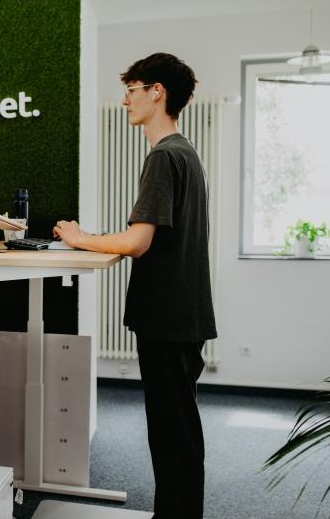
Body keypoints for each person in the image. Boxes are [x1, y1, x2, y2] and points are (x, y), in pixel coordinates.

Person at [54, 53, 217, 519]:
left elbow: (138, 241)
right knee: (178, 434)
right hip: (181, 317)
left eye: (133, 89)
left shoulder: (165, 155)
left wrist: (80, 237)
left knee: (172, 437)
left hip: (168, 319)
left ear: (157, 92)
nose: (125, 98)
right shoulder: (184, 152)